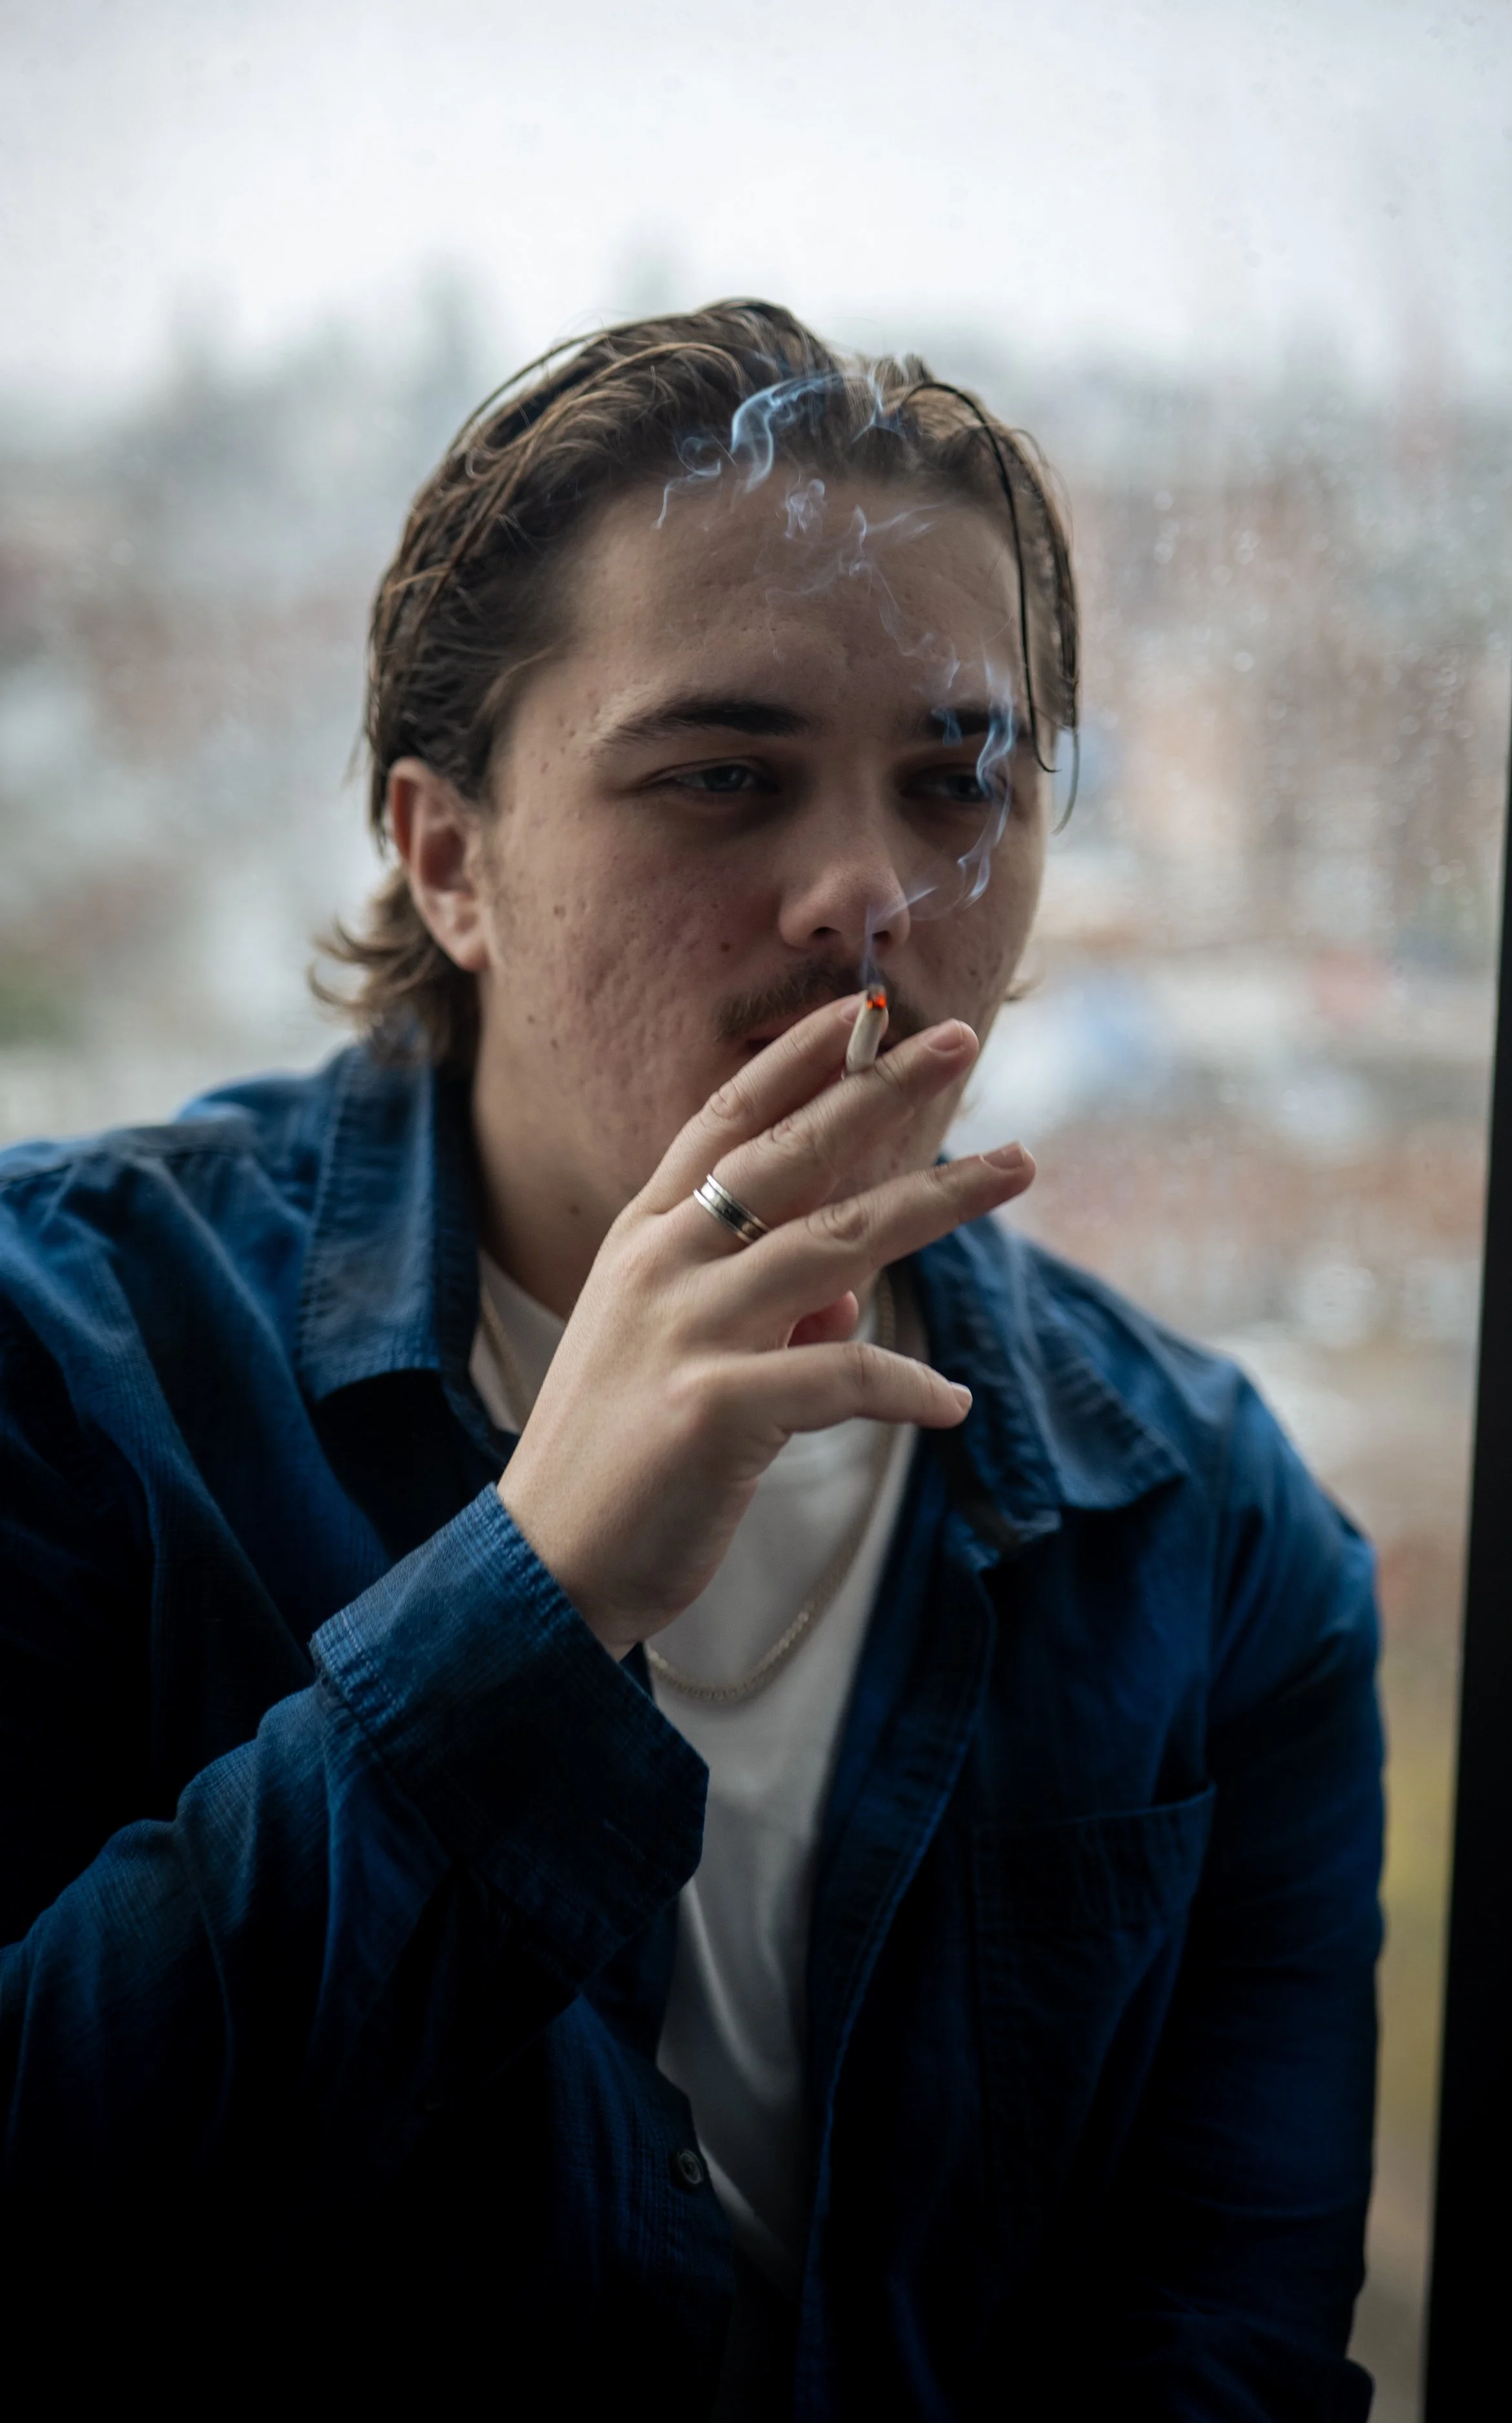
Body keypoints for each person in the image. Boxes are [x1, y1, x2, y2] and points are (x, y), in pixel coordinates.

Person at [0, 302, 1381, 2418]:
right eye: (722, 776)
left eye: (959, 782)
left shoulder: (1218, 1534)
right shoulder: (68, 1354)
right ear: (446, 857)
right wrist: (533, 1598)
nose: (866, 890)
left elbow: (1228, 2344)